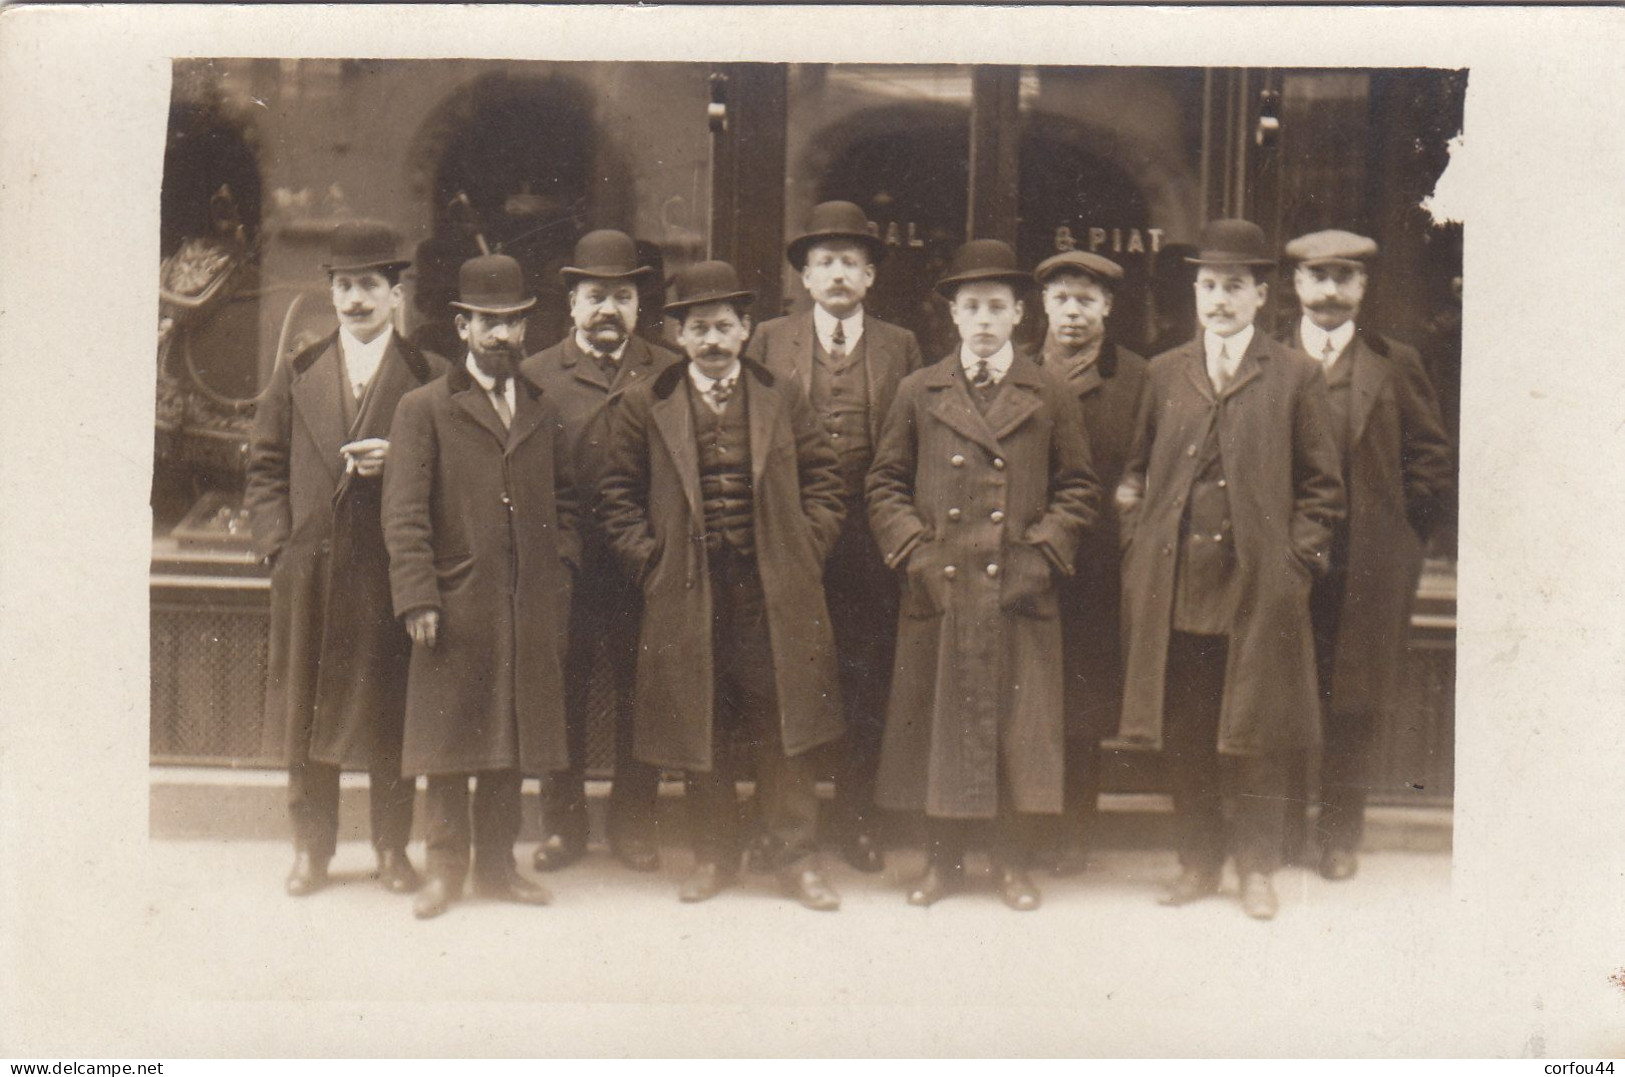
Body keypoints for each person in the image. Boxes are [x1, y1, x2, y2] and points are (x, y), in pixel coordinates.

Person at [599, 260, 848, 910]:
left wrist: (803, 547)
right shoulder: (643, 403)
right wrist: (650, 563)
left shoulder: (782, 395)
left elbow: (825, 477)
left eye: (724, 326)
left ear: (745, 330)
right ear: (679, 335)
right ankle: (715, 855)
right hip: (685, 588)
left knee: (781, 721)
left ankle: (795, 858)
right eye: (698, 327)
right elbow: (616, 496)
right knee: (699, 723)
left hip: (771, 588)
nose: (712, 339)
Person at [1115, 218, 1345, 921]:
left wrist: (1293, 565)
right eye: (1208, 285)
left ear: (1260, 296)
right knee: (1185, 730)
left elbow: (1322, 489)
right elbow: (1132, 474)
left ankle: (1256, 868)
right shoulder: (1163, 372)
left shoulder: (1295, 375)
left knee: (1258, 736)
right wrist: (1136, 542)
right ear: (1194, 291)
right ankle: (1197, 861)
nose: (1219, 299)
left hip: (1257, 592)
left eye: (1234, 286)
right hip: (1178, 587)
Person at [867, 239, 1099, 910]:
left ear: (1019, 315)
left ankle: (1009, 863)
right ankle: (942, 864)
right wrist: (913, 550)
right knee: (940, 728)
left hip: (1015, 590)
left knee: (1013, 733)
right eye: (971, 307)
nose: (983, 319)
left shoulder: (1047, 389)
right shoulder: (919, 388)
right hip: (940, 585)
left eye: (997, 306)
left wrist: (1039, 554)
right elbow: (883, 483)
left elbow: (1078, 488)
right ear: (951, 316)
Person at [245, 220, 443, 898]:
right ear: (330, 292)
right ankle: (312, 849)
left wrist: (399, 462)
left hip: (390, 575)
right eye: (343, 286)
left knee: (391, 715)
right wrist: (278, 547)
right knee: (307, 716)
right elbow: (265, 466)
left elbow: (451, 478)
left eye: (369, 286)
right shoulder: (298, 371)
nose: (355, 299)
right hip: (312, 575)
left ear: (395, 293)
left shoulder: (428, 376)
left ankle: (391, 847)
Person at [382, 254, 580, 919]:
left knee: (509, 744)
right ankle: (445, 869)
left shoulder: (542, 406)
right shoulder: (424, 408)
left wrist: (560, 573)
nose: (503, 338)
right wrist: (417, 596)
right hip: (453, 605)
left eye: (514, 324)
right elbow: (403, 511)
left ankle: (498, 867)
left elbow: (568, 502)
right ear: (462, 327)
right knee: (447, 744)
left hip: (526, 607)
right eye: (489, 325)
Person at [744, 201, 924, 873]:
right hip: (786, 533)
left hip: (867, 539)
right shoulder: (766, 339)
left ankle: (857, 821)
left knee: (864, 678)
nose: (838, 274)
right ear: (804, 278)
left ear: (870, 275)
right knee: (782, 678)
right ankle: (778, 823)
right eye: (824, 262)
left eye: (851, 262)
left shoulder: (900, 344)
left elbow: (907, 439)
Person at [1278, 229, 1454, 880]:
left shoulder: (1394, 361)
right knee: (1283, 692)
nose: (1328, 291)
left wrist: (1404, 538)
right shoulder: (1267, 358)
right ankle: (1283, 829)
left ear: (1361, 288)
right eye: (1315, 277)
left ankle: (1337, 836)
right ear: (1294, 286)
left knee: (1350, 700)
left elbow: (1429, 459)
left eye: (1342, 277)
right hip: (1287, 559)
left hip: (1367, 565)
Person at [520, 230, 679, 875]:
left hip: (644, 565)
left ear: (640, 305)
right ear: (572, 305)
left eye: (621, 296)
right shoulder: (536, 376)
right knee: (563, 693)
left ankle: (634, 823)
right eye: (594, 297)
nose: (607, 309)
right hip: (568, 565)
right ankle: (564, 826)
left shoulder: (670, 371)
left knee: (645, 693)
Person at [1028, 250, 1150, 876]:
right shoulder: (1020, 369)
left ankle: (1075, 829)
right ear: (1043, 306)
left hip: (1099, 564)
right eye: (1061, 299)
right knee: (1027, 698)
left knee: (1082, 702)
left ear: (1107, 307)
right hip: (1025, 560)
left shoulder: (1137, 378)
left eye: (1086, 299)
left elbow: (1145, 464)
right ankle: (1026, 829)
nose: (1072, 313)